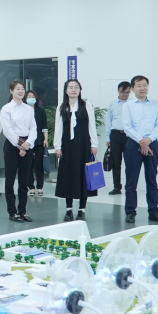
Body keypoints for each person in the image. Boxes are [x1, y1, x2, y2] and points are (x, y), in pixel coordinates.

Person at [121, 75, 158, 225]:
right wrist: (142, 141)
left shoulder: (155, 104)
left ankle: (154, 212)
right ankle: (130, 212)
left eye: (145, 85)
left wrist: (149, 140)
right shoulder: (127, 105)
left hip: (152, 143)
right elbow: (127, 127)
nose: (142, 88)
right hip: (134, 144)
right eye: (139, 85)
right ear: (132, 88)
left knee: (152, 179)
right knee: (131, 180)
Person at [53, 79, 98, 221]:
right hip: (67, 146)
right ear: (66, 90)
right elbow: (58, 128)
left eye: (76, 87)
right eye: (71, 87)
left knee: (85, 177)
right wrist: (57, 146)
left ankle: (81, 210)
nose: (74, 89)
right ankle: (68, 210)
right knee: (68, 176)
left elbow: (92, 126)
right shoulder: (62, 107)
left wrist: (94, 144)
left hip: (84, 145)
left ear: (80, 90)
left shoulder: (86, 105)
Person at [0, 80, 37, 222]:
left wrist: (28, 144)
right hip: (12, 145)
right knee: (10, 180)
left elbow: (33, 128)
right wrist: (20, 145)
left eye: (22, 89)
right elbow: (7, 130)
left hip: (27, 145)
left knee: (24, 180)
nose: (21, 91)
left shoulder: (29, 109)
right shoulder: (6, 109)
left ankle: (23, 211)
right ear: (11, 91)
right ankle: (12, 212)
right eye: (17, 89)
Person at [105, 81, 132, 195]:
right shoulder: (113, 103)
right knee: (116, 163)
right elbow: (109, 121)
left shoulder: (132, 103)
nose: (125, 94)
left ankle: (129, 187)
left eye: (127, 92)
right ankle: (117, 187)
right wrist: (108, 138)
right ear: (118, 90)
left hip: (129, 135)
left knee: (129, 162)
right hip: (115, 135)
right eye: (123, 92)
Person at [26, 90, 48, 196]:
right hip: (27, 142)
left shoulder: (40, 111)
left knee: (39, 165)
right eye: (29, 96)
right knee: (29, 165)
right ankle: (30, 186)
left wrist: (45, 139)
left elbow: (44, 126)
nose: (31, 98)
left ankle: (40, 187)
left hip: (39, 141)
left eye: (33, 96)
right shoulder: (23, 111)